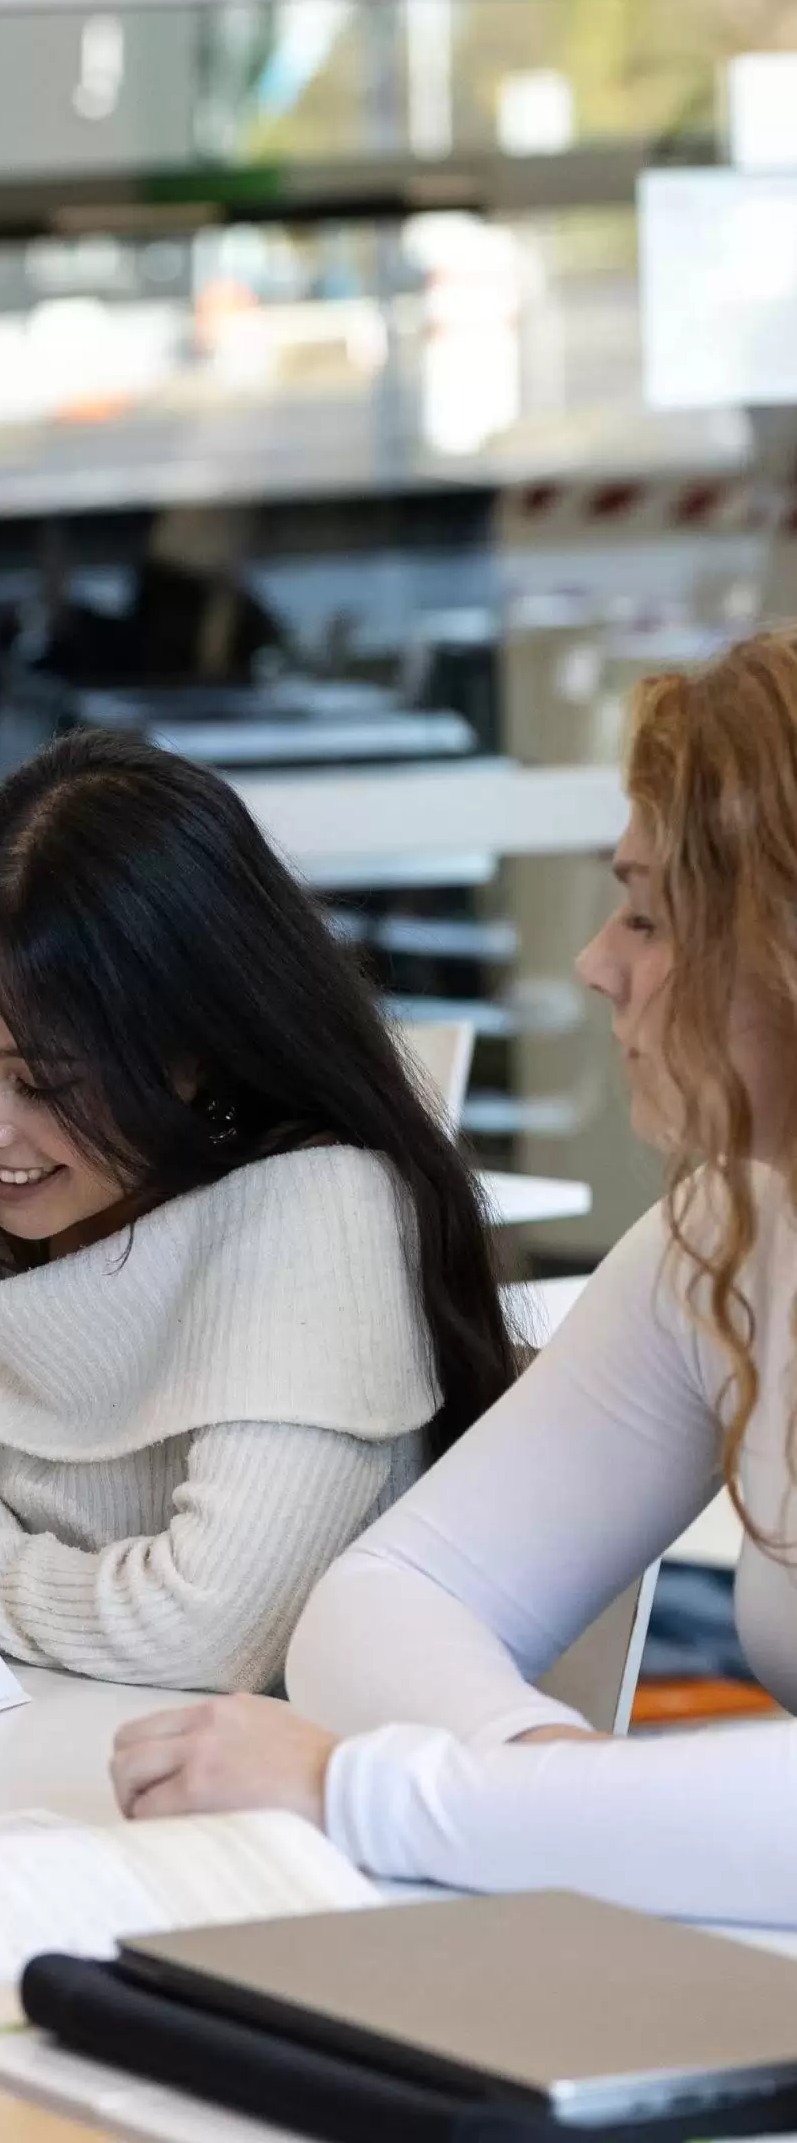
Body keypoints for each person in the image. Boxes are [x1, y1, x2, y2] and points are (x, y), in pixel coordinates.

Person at [110, 633, 797, 1925]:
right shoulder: (732, 1232)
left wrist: (385, 1797)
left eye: (649, 914)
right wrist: (562, 1801)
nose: (599, 961)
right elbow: (387, 1601)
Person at [0, 732, 514, 1692]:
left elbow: (204, 1634)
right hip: (8, 1755)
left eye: (40, 1078)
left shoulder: (328, 1213)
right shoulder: (7, 1171)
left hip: (231, 1809)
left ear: (199, 1050)